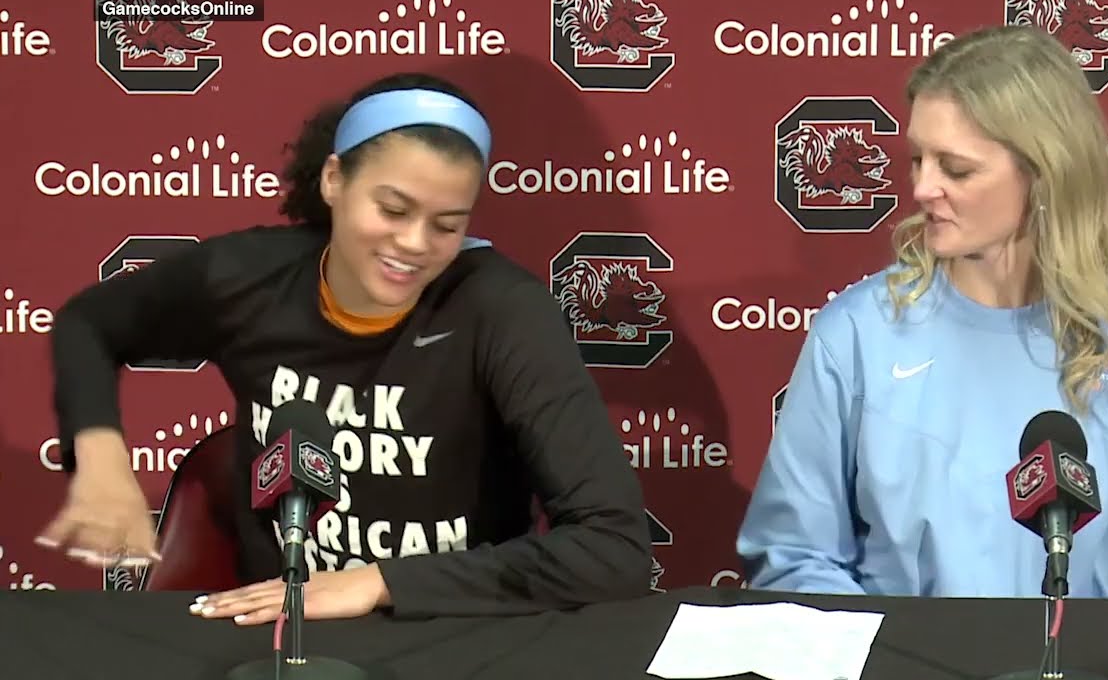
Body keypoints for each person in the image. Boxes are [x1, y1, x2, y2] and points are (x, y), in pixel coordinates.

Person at [37, 71, 653, 623]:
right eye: (392, 209)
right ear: (334, 180)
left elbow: (614, 548)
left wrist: (379, 583)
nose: (414, 244)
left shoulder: (504, 311)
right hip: (274, 624)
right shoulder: (249, 277)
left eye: (447, 225)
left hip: (451, 627)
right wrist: (99, 454)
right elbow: (88, 323)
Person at [736, 25, 1108, 600]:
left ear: (1045, 172)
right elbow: (794, 555)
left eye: (955, 168)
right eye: (917, 160)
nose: (923, 187)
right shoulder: (855, 336)